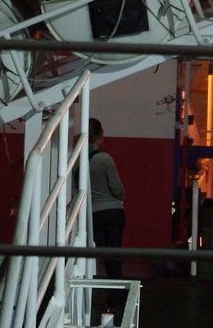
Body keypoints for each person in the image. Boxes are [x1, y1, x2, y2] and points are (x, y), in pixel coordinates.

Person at [88, 118, 126, 315]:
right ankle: (116, 301)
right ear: (99, 135)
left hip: (92, 213)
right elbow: (118, 190)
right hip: (112, 211)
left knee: (101, 255)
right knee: (114, 256)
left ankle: (98, 298)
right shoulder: (104, 159)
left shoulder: (77, 160)